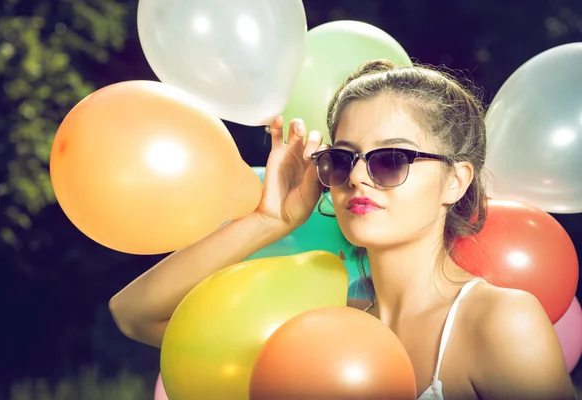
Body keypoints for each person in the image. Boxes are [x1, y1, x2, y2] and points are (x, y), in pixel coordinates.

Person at [109, 59, 576, 400]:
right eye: (342, 158)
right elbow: (133, 314)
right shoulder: (315, 312)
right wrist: (269, 221)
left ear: (455, 181)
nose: (357, 177)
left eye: (391, 160)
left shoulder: (498, 322)